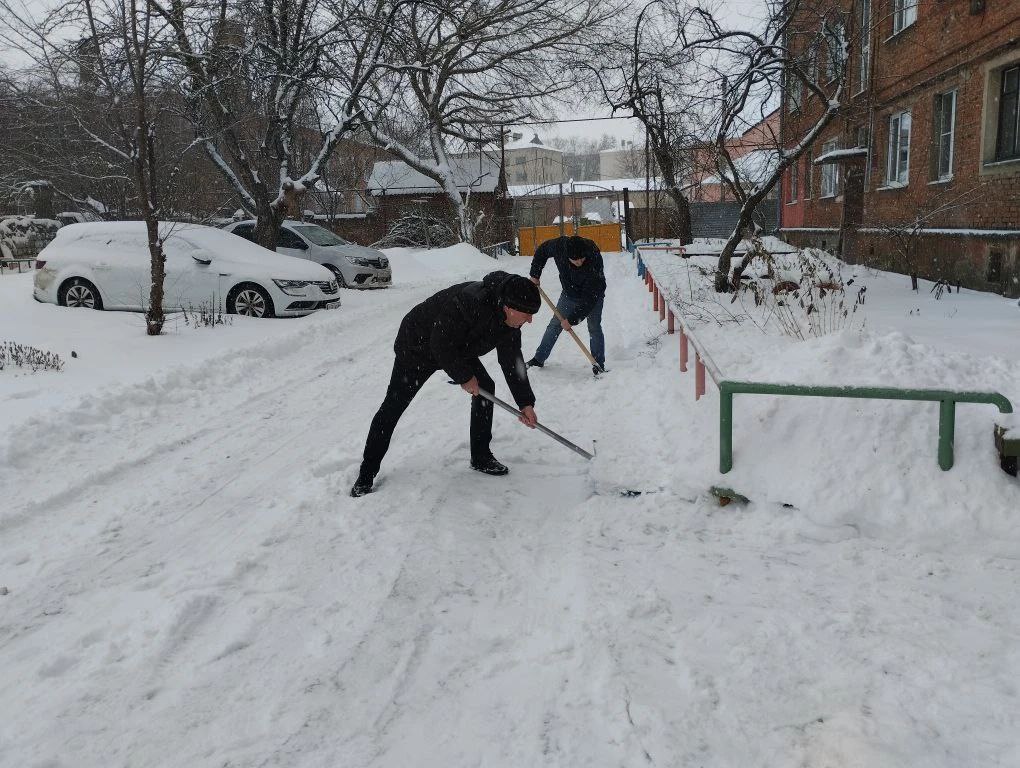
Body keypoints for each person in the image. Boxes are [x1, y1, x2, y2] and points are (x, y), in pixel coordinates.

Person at [350, 271, 541, 498]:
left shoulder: (510, 321)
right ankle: (366, 474)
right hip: (417, 345)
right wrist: (464, 376)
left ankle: (480, 456)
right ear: (509, 307)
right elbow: (440, 343)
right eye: (528, 313)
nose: (530, 320)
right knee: (393, 405)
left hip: (458, 344)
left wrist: (525, 402)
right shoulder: (471, 302)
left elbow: (512, 360)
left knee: (485, 388)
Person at [526, 234, 607, 376]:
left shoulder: (593, 256)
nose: (579, 262)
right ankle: (539, 359)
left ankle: (598, 363)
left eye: (582, 258)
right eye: (575, 260)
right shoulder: (559, 246)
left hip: (594, 296)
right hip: (569, 293)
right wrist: (535, 274)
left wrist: (572, 320)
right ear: (566, 255)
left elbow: (589, 300)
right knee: (555, 324)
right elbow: (542, 251)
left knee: (594, 327)